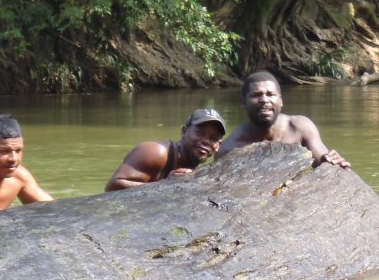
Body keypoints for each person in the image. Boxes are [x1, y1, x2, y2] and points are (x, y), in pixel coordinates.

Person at [217, 71, 350, 168]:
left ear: (280, 101)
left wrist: (333, 162)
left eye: (270, 94)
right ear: (243, 102)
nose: (264, 100)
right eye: (256, 95)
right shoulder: (229, 148)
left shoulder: (300, 128)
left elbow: (323, 162)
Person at [105, 108, 227, 191]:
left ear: (218, 145)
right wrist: (166, 185)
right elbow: (113, 186)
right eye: (199, 133)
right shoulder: (155, 152)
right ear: (184, 132)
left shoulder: (200, 170)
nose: (206, 141)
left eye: (213, 138)